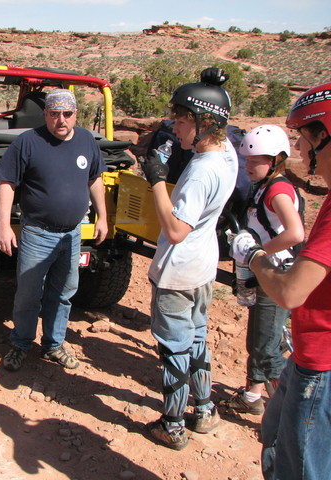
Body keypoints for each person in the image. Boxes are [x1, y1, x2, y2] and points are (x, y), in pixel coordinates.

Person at [231, 82, 331, 480]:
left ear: (325, 134)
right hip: (308, 353)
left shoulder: (279, 190)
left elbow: (291, 291)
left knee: (302, 465)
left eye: (307, 139)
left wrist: (254, 255)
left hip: (319, 362)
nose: (303, 150)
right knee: (275, 438)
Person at [138, 68, 238, 450]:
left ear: (203, 122)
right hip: (203, 266)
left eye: (181, 121)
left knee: (174, 347)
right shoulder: (226, 155)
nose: (174, 128)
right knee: (196, 338)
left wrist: (157, 181)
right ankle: (205, 410)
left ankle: (173, 424)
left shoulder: (200, 172)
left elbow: (177, 230)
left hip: (178, 271)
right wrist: (213, 88)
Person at [0, 89, 108, 372]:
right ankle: (20, 344)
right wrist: (4, 225)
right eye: (54, 114)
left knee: (64, 292)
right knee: (29, 293)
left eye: (67, 114)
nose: (61, 120)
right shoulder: (28, 142)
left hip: (73, 232)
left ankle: (54, 345)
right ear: (45, 114)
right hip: (37, 233)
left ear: (76, 115)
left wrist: (103, 216)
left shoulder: (86, 141)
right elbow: (6, 183)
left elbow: (95, 179)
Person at [220, 125, 304, 415]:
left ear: (277, 160)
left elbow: (295, 233)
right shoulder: (264, 188)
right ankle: (253, 396)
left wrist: (255, 253)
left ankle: (291, 412)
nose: (249, 166)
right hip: (264, 275)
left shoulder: (277, 190)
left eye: (257, 160)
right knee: (259, 337)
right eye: (247, 160)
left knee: (266, 348)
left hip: (275, 274)